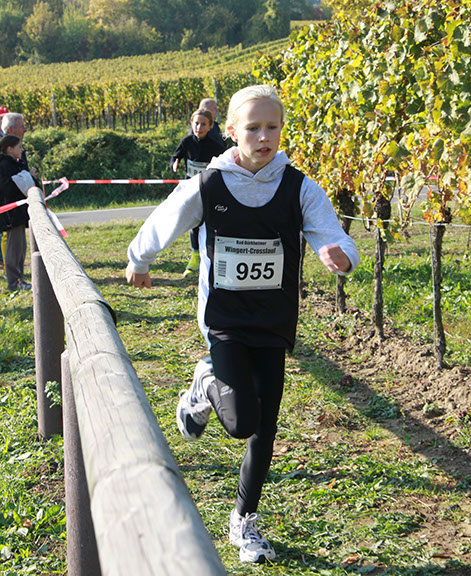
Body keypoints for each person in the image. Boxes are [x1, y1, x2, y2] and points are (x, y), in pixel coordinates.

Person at [126, 84, 360, 564]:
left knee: (265, 427)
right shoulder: (209, 183)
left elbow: (330, 234)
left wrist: (341, 256)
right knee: (240, 422)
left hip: (273, 320)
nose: (264, 136)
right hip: (225, 321)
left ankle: (244, 521)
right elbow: (166, 219)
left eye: (272, 127)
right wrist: (140, 259)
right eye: (252, 128)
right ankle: (205, 378)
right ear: (232, 132)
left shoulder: (298, 186)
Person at [169, 108, 226, 274]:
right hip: (191, 189)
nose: (199, 127)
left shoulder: (215, 145)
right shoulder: (187, 142)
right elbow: (176, 155)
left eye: (203, 124)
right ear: (191, 124)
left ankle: (211, 257)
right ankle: (194, 258)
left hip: (209, 190)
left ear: (210, 126)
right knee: (193, 223)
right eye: (196, 123)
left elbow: (225, 160)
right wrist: (175, 162)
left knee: (210, 222)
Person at [0, 135, 36, 291]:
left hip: (19, 214)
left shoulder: (15, 164)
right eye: (19, 147)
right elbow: (7, 188)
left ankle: (19, 279)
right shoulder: (4, 165)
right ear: (10, 149)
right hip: (11, 215)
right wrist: (26, 178)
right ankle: (14, 282)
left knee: (21, 248)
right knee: (14, 250)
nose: (22, 150)